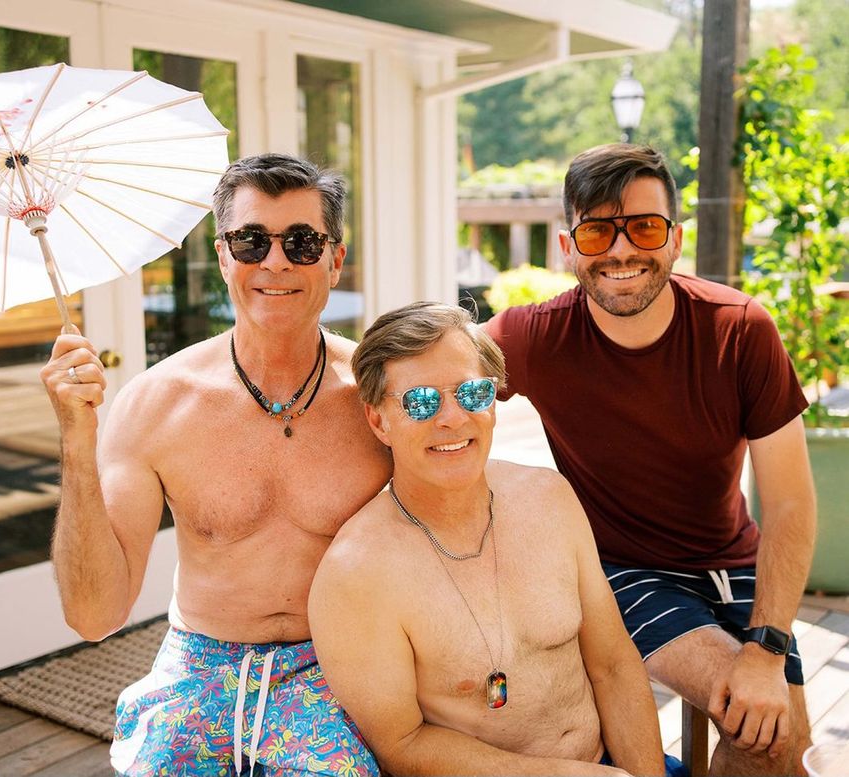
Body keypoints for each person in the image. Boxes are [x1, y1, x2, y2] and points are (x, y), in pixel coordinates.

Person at [40, 153, 392, 777]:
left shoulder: (380, 395)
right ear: (224, 257)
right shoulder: (156, 404)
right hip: (199, 667)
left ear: (335, 260)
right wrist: (76, 439)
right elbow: (94, 615)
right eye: (251, 241)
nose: (275, 262)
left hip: (341, 662)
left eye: (302, 242)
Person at [484, 143, 817, 776]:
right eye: (597, 231)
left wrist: (768, 649)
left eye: (643, 227)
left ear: (675, 239)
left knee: (781, 742)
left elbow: (791, 503)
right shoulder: (535, 335)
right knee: (757, 728)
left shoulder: (739, 328)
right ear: (567, 247)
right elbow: (432, 364)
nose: (620, 250)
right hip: (622, 570)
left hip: (738, 562)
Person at [309, 302, 684, 776]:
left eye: (472, 392)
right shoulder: (355, 574)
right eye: (420, 401)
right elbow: (401, 745)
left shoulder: (549, 499)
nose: (452, 418)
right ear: (379, 421)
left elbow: (613, 663)